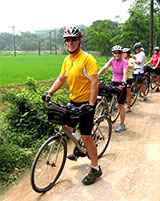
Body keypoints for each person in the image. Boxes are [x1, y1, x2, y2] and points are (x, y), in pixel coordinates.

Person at [42, 27, 102, 185]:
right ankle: (79, 146)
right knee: (67, 127)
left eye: (73, 39)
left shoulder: (88, 59)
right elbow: (61, 79)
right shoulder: (67, 60)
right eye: (67, 40)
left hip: (86, 103)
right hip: (73, 101)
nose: (70, 42)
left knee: (87, 136)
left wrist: (91, 104)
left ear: (79, 41)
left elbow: (94, 81)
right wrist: (49, 92)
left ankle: (96, 168)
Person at [98, 45, 128, 132]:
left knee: (120, 105)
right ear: (113, 54)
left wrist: (124, 82)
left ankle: (122, 125)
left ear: (121, 54)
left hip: (121, 84)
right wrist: (96, 75)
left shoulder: (124, 62)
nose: (117, 54)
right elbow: (104, 67)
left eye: (119, 53)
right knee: (102, 97)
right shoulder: (112, 60)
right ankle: (103, 112)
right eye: (115, 53)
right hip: (113, 82)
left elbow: (125, 72)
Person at [122, 47, 134, 113]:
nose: (123, 54)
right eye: (123, 53)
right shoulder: (122, 60)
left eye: (125, 53)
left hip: (129, 78)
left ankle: (128, 107)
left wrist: (124, 64)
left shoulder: (131, 60)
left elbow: (131, 66)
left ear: (128, 54)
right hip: (122, 78)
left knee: (128, 94)